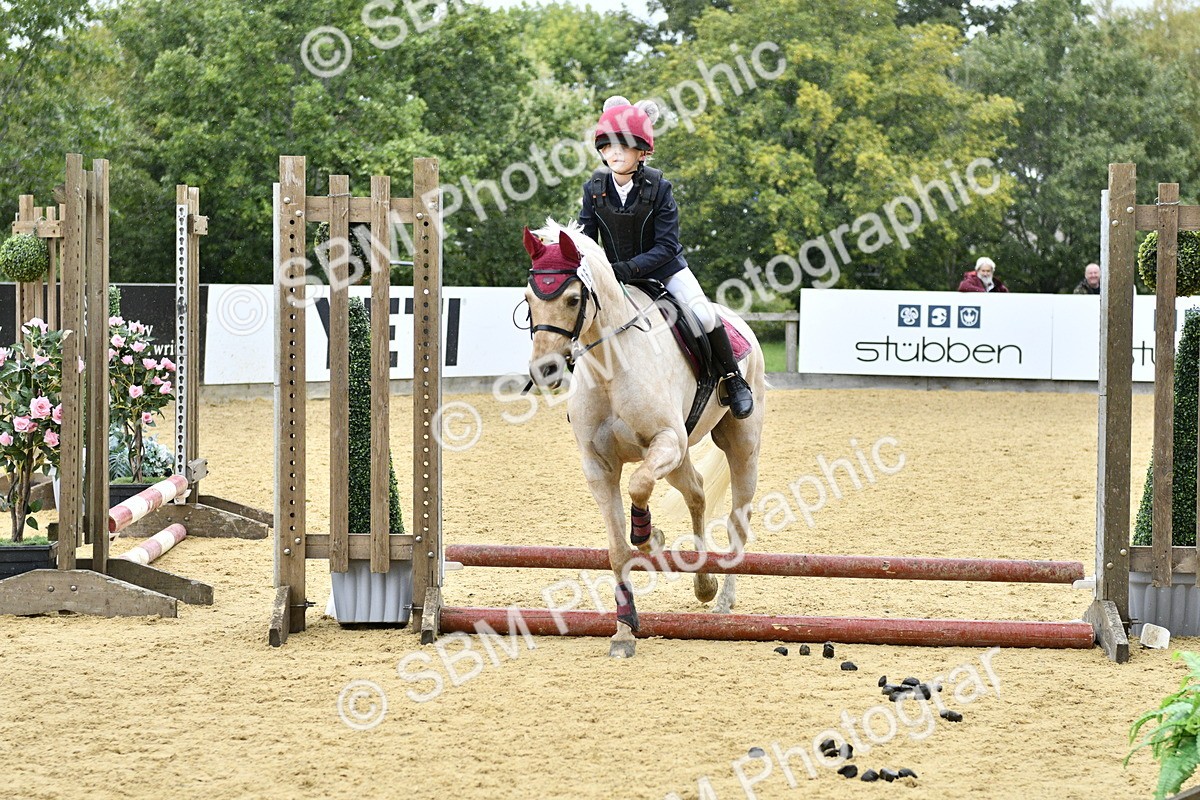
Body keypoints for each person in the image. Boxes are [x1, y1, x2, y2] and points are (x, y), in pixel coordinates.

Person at [578, 96, 753, 419]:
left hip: (665, 271)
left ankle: (733, 378)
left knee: (704, 314)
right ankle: (583, 395)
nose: (615, 153)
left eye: (624, 146)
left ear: (642, 151)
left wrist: (625, 269)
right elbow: (585, 237)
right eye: (608, 146)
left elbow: (667, 246)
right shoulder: (593, 188)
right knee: (579, 314)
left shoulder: (660, 187)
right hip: (615, 277)